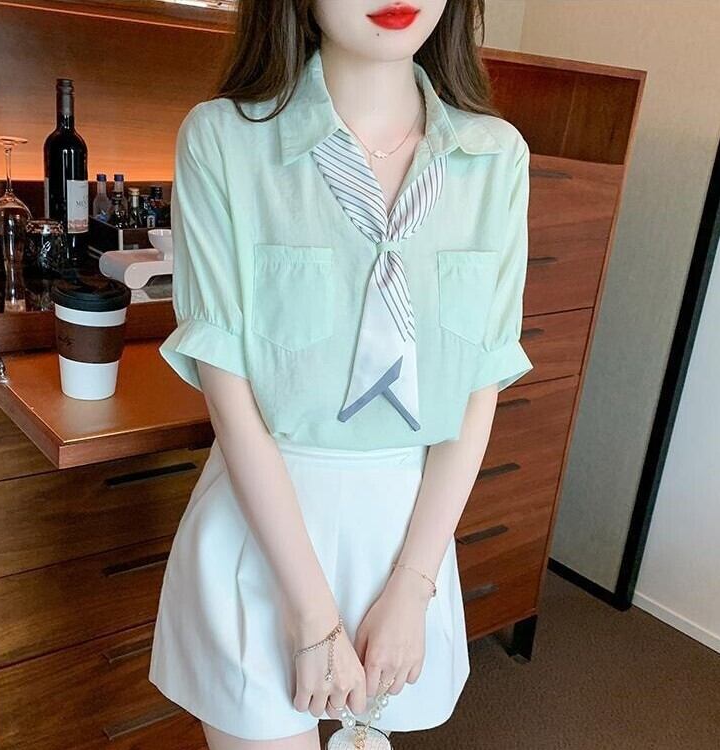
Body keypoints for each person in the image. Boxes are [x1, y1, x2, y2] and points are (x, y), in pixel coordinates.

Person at [148, 1, 534, 748]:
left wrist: (414, 586)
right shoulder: (224, 141)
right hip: (264, 538)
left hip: (407, 540)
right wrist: (310, 614)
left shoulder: (495, 158)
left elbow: (477, 390)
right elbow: (229, 396)